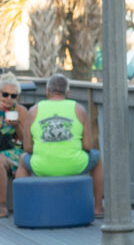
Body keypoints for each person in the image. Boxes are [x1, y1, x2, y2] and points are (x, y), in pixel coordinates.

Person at [15, 73, 104, 218]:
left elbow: (27, 148)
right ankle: (98, 207)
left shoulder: (33, 111)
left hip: (42, 167)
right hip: (75, 165)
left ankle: (23, 209)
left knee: (23, 160)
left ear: (47, 91)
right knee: (97, 157)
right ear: (67, 92)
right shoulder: (79, 109)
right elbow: (88, 146)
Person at [0, 72, 29, 217]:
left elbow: (27, 141)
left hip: (15, 152)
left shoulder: (20, 111)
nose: (9, 99)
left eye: (13, 96)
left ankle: (2, 206)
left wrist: (17, 126)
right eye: (5, 94)